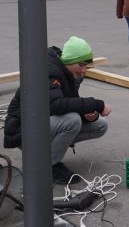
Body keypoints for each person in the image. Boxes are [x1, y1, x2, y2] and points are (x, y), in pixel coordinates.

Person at [3, 36, 111, 185]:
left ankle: (44, 155)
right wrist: (96, 104)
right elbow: (57, 105)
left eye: (86, 66)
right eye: (81, 65)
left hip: (43, 123)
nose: (84, 70)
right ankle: (48, 167)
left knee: (100, 125)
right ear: (69, 61)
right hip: (22, 130)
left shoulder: (69, 73)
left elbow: (69, 103)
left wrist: (87, 115)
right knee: (72, 121)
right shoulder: (50, 72)